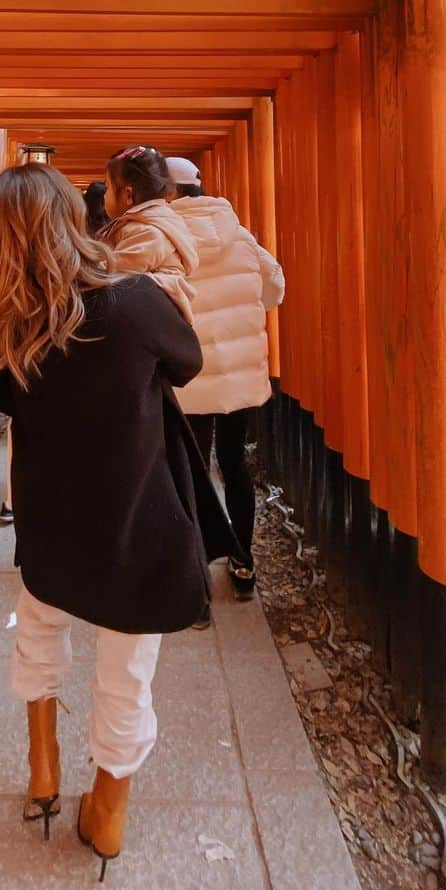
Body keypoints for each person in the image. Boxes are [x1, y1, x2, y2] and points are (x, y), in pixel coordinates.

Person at [0, 165, 235, 879]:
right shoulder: (136, 302)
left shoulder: (4, 322)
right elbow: (186, 363)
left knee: (39, 628)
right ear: (73, 222)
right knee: (127, 670)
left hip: (52, 514)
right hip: (133, 517)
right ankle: (108, 810)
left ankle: (43, 768)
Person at [165, 157, 285, 601]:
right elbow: (274, 289)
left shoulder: (165, 239)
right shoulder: (240, 236)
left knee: (190, 474)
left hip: (190, 379)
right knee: (235, 466)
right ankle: (243, 564)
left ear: (169, 193)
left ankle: (195, 575)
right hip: (239, 377)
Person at [101, 145, 198, 321]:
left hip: (156, 321)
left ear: (128, 195)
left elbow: (115, 271)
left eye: (107, 188)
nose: (104, 195)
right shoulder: (146, 223)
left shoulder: (149, 231)